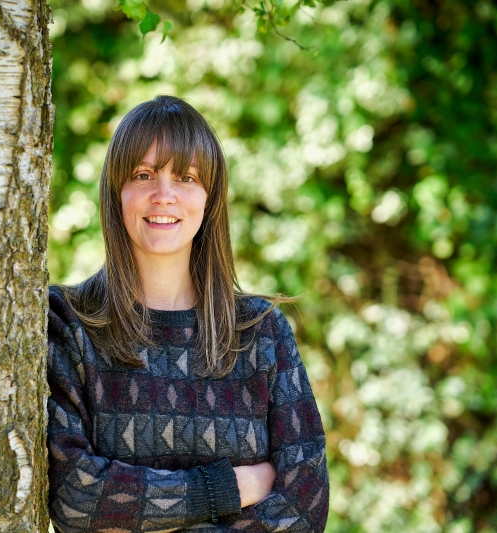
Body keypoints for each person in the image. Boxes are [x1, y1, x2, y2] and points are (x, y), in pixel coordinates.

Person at [47, 95, 329, 532]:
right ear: (115, 193)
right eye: (143, 175)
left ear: (209, 197)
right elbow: (75, 496)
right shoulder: (69, 323)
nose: (164, 196)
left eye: (186, 177)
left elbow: (305, 505)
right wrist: (228, 489)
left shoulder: (260, 332)